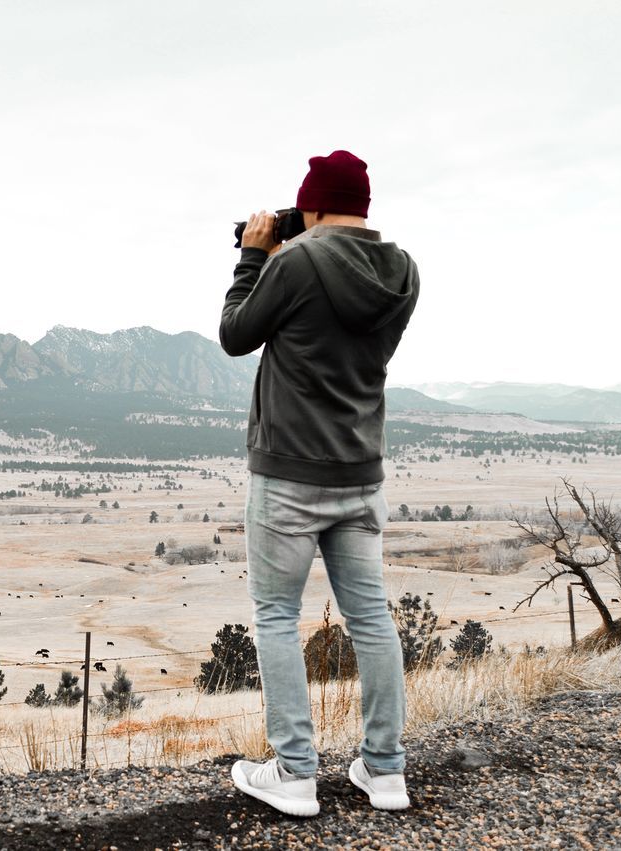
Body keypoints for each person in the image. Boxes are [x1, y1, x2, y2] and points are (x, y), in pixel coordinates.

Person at [218, 150, 420, 817]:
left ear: (311, 205)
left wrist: (255, 256)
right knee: (371, 617)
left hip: (289, 476)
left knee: (276, 616)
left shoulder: (295, 264)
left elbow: (236, 333)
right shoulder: (402, 273)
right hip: (360, 475)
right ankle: (385, 770)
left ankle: (295, 773)